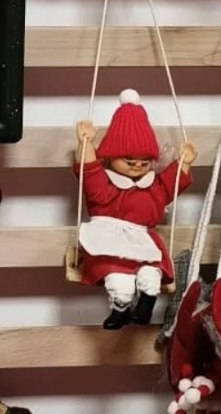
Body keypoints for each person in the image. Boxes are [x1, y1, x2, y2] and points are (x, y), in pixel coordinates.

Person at [74, 89, 195, 329]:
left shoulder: (153, 187)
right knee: (119, 279)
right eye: (129, 161)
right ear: (111, 157)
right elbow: (89, 170)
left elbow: (170, 184)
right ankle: (120, 309)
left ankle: (146, 305)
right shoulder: (104, 186)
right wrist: (85, 143)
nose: (138, 166)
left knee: (150, 275)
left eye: (145, 161)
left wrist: (185, 163)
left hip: (143, 240)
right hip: (109, 241)